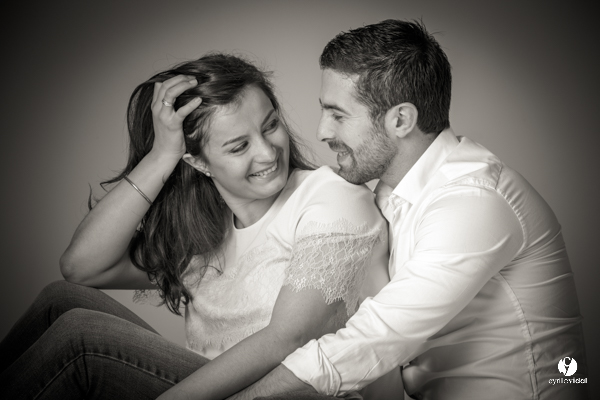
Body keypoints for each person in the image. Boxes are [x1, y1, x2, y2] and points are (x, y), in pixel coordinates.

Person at [0, 54, 403, 399]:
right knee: (60, 300)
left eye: (270, 126)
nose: (267, 153)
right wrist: (162, 155)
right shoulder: (205, 231)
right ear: (197, 162)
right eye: (239, 146)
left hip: (298, 393)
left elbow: (289, 338)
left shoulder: (330, 197)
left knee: (82, 340)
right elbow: (81, 268)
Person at [230, 20, 589, 400]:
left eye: (338, 115)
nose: (322, 131)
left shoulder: (474, 202)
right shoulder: (385, 195)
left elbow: (374, 338)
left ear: (400, 120)